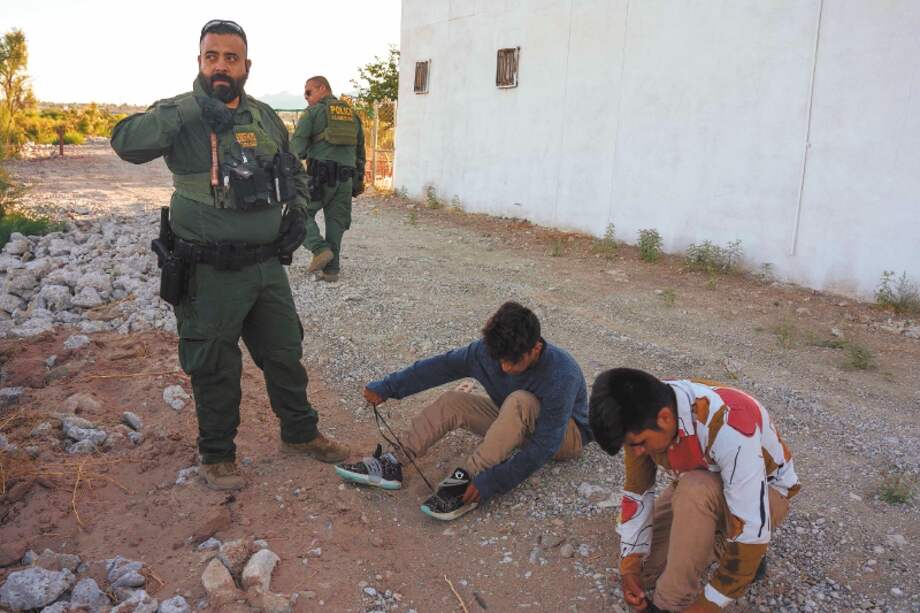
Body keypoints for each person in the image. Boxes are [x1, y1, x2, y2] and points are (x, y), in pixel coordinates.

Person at [110, 19, 349, 491]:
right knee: (215, 363)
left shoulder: (263, 117)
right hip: (209, 271)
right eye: (211, 56)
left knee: (285, 353)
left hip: (266, 266)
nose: (221, 65)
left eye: (231, 57)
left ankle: (301, 434)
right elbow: (126, 143)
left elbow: (293, 173)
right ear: (199, 62)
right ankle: (217, 455)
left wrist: (298, 213)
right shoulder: (182, 115)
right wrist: (190, 108)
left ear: (246, 66)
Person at [335, 301, 592, 520]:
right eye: (499, 359)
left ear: (535, 348)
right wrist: (388, 387)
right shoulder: (485, 353)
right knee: (454, 400)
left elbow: (545, 445)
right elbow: (439, 367)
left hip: (565, 436)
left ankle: (469, 478)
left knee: (520, 400)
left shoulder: (562, 373)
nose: (504, 368)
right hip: (516, 419)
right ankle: (394, 461)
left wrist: (492, 482)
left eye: (513, 361)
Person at [589, 368, 801, 612]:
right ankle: (716, 542)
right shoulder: (643, 410)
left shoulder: (730, 424)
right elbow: (637, 492)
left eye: (638, 444)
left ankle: (671, 603)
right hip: (698, 482)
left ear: (665, 419)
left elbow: (751, 528)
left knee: (697, 493)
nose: (636, 452)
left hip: (765, 495)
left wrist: (705, 605)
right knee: (645, 571)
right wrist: (630, 565)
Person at [290, 76, 365, 283]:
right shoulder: (352, 115)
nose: (306, 97)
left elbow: (296, 149)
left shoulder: (313, 113)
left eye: (308, 92)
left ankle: (319, 249)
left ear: (322, 88)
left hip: (320, 177)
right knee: (336, 222)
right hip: (346, 178)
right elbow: (360, 153)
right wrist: (358, 182)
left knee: (298, 214)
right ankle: (332, 270)